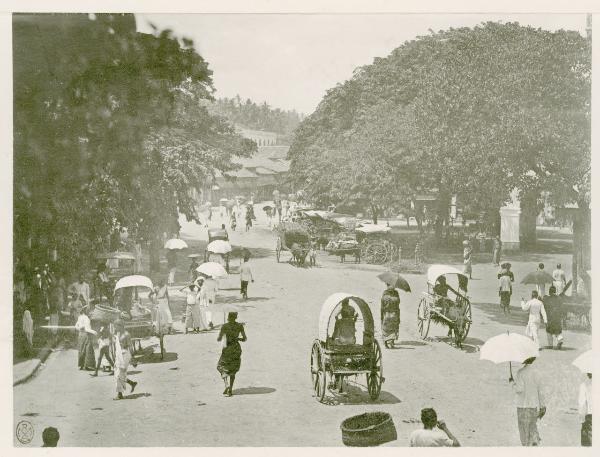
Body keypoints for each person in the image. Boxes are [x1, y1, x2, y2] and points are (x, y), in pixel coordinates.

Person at [510, 357, 546, 446]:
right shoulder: (537, 373)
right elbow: (541, 391)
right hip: (533, 406)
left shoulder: (520, 372)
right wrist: (542, 406)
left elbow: (519, 389)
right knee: (532, 428)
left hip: (522, 406)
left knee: (524, 432)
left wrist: (512, 383)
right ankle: (534, 446)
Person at [217, 312, 247, 397]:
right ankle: (230, 390)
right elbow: (244, 339)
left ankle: (226, 384)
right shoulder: (240, 326)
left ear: (228, 317)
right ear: (236, 317)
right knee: (233, 370)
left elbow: (219, 339)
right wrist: (237, 338)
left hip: (227, 349)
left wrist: (223, 336)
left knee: (222, 366)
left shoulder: (225, 326)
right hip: (236, 349)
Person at [113, 320, 137, 400]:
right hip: (119, 355)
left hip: (125, 355)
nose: (115, 328)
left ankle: (120, 394)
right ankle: (132, 383)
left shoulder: (127, 334)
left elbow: (130, 346)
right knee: (117, 374)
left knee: (119, 374)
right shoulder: (118, 334)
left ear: (120, 325)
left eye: (116, 326)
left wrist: (133, 358)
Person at [381, 284, 400, 349]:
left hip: (386, 314)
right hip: (394, 314)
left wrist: (381, 316)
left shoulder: (385, 293)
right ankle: (392, 342)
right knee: (394, 328)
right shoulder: (396, 293)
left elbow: (382, 306)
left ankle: (386, 342)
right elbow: (398, 304)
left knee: (385, 328)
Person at [578, 372, 592, 446]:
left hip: (590, 416)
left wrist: (582, 420)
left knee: (589, 442)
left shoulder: (584, 385)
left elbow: (582, 404)